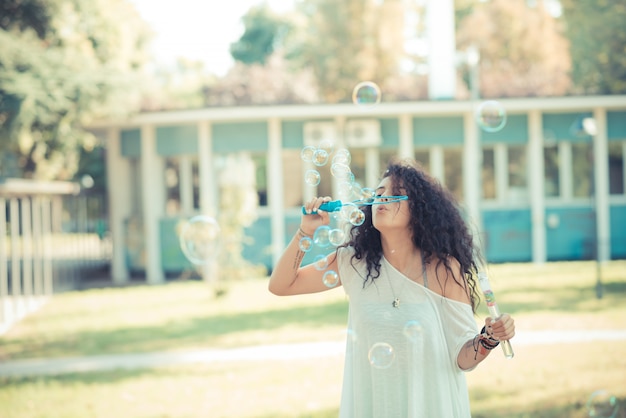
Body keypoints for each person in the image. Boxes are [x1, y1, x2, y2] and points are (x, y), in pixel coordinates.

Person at [268, 157, 515, 417]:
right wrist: (305, 232)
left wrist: (489, 337)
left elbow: (463, 358)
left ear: (419, 210)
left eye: (396, 194)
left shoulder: (445, 269)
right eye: (378, 193)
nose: (382, 198)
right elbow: (281, 285)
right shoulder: (354, 263)